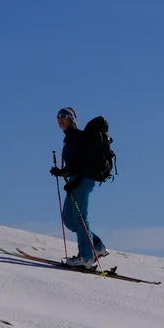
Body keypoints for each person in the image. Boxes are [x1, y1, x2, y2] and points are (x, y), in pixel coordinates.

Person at [49, 107, 109, 268]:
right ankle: (96, 246)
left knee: (79, 219)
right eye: (58, 116)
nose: (60, 119)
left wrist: (77, 180)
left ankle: (86, 257)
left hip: (83, 180)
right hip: (77, 179)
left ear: (72, 119)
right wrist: (62, 172)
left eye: (64, 116)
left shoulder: (76, 137)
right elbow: (75, 163)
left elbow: (85, 163)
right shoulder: (70, 138)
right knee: (69, 219)